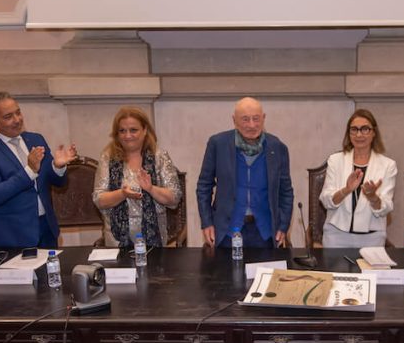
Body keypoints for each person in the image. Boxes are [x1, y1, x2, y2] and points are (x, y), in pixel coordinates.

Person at [0, 92, 77, 249]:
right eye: (8, 116)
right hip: (12, 237)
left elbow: (58, 182)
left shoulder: (35, 139)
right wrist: (29, 171)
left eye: (18, 112)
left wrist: (58, 167)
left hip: (47, 230)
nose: (17, 120)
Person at [196, 97, 293, 248]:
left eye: (256, 118)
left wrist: (283, 225)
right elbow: (204, 186)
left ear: (263, 118)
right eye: (245, 119)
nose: (251, 125)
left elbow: (286, 191)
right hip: (226, 232)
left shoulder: (277, 147)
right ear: (234, 120)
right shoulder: (218, 144)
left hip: (265, 234)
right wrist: (207, 222)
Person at [92, 107, 183, 248]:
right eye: (122, 131)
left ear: (145, 130)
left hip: (155, 240)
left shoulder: (159, 156)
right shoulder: (108, 157)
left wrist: (151, 189)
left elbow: (174, 198)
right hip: (116, 241)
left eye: (133, 130)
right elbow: (99, 199)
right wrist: (122, 194)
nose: (127, 136)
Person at [319, 109, 396, 247]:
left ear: (374, 132)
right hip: (336, 236)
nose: (359, 134)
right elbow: (326, 200)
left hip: (371, 238)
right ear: (349, 133)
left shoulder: (388, 165)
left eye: (365, 129)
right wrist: (346, 190)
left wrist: (373, 197)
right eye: (354, 129)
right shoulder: (335, 160)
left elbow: (386, 207)